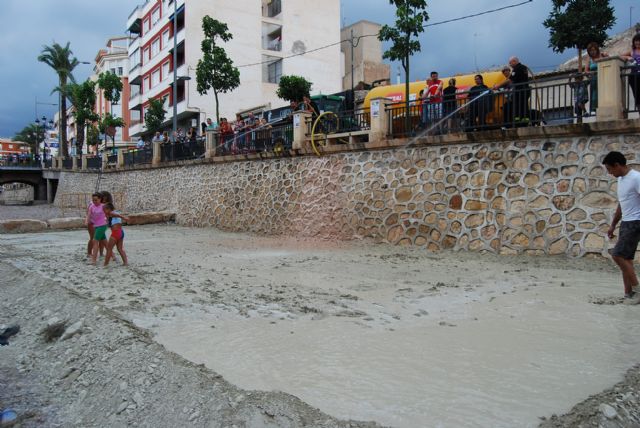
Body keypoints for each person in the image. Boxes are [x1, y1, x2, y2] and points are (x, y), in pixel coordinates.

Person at [603, 151, 640, 304]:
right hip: (626, 222)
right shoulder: (621, 180)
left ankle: (637, 290)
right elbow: (622, 203)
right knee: (626, 259)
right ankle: (628, 294)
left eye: (610, 169)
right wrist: (613, 225)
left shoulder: (636, 178)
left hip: (636, 221)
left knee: (617, 255)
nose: (610, 173)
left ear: (617, 165)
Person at [103, 203, 129, 267]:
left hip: (116, 233)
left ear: (109, 209)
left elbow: (115, 215)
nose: (103, 211)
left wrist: (123, 217)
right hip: (121, 232)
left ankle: (105, 264)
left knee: (109, 249)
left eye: (104, 210)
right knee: (120, 249)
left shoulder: (111, 213)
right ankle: (125, 262)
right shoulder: (112, 214)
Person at [87, 192, 109, 265]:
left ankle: (93, 260)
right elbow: (89, 215)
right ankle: (113, 256)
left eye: (96, 200)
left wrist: (108, 220)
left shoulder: (103, 206)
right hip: (96, 226)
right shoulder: (92, 206)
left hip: (103, 225)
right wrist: (87, 221)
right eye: (93, 200)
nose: (94, 201)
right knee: (105, 242)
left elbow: (109, 213)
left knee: (95, 241)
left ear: (100, 199)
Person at [586, 42, 608, 113]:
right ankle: (594, 109)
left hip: (604, 78)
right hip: (594, 79)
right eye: (590, 51)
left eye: (594, 50)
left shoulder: (602, 55)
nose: (592, 52)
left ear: (597, 50)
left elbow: (610, 62)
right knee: (594, 94)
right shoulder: (589, 59)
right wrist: (591, 73)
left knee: (604, 93)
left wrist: (607, 56)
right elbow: (586, 71)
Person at [508, 56, 530, 123]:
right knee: (524, 104)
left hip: (519, 90)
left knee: (517, 105)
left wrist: (498, 85)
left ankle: (518, 119)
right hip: (525, 89)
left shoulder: (517, 68)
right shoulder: (523, 67)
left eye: (510, 63)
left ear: (514, 61)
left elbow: (510, 80)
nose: (510, 65)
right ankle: (525, 119)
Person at [621, 34, 640, 112]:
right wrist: (628, 57)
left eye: (639, 40)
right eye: (636, 41)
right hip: (634, 76)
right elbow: (620, 56)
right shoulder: (632, 52)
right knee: (637, 95)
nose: (637, 42)